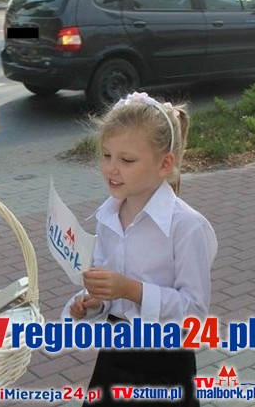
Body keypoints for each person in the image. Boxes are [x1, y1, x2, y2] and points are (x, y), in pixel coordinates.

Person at [64, 91, 218, 406]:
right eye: (106, 156)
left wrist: (133, 290)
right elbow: (111, 293)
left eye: (127, 160)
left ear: (165, 164)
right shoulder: (107, 217)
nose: (111, 169)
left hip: (165, 364)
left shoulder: (187, 227)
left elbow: (195, 314)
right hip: (114, 357)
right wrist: (93, 303)